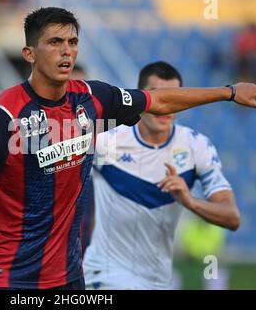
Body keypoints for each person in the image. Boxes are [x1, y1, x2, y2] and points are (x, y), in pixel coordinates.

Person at [0, 7, 256, 290]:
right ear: (29, 53)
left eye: (73, 42)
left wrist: (229, 92)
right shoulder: (0, 116)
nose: (67, 51)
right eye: (55, 42)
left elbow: (159, 100)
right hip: (9, 276)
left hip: (68, 276)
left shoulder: (91, 98)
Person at [83, 61, 241, 290]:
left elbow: (232, 217)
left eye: (174, 98)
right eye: (160, 97)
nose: (167, 107)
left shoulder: (196, 146)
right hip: (105, 274)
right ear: (142, 99)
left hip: (159, 280)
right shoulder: (107, 141)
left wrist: (190, 201)